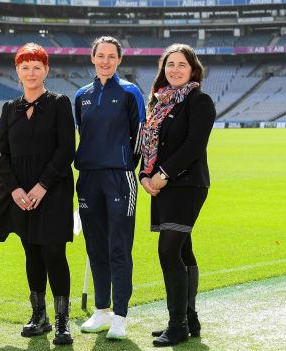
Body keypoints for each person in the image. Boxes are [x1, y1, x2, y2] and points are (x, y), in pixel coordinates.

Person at [0, 43, 75, 345]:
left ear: (46, 70)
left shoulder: (60, 103)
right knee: (32, 253)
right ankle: (39, 316)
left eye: (37, 66)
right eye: (25, 67)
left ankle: (63, 320)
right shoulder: (9, 108)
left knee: (53, 252)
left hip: (53, 191)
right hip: (20, 195)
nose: (31, 72)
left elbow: (66, 150)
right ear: (17, 72)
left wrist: (42, 186)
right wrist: (13, 188)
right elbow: (3, 154)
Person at [139, 43, 215, 347]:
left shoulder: (200, 101)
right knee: (182, 250)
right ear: (163, 69)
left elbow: (194, 145)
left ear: (192, 69)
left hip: (186, 185)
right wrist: (146, 175)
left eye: (182, 64)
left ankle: (178, 324)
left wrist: (162, 175)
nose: (175, 70)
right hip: (162, 186)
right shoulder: (159, 103)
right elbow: (150, 146)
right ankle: (190, 319)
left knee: (168, 251)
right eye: (170, 64)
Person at [74, 36, 145, 339]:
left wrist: (126, 164)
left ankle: (120, 315)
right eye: (100, 55)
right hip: (88, 177)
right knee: (95, 246)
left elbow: (139, 136)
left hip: (120, 177)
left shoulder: (130, 92)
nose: (105, 61)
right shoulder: (81, 95)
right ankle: (101, 310)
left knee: (119, 247)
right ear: (92, 58)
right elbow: (82, 130)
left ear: (119, 60)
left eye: (111, 56)